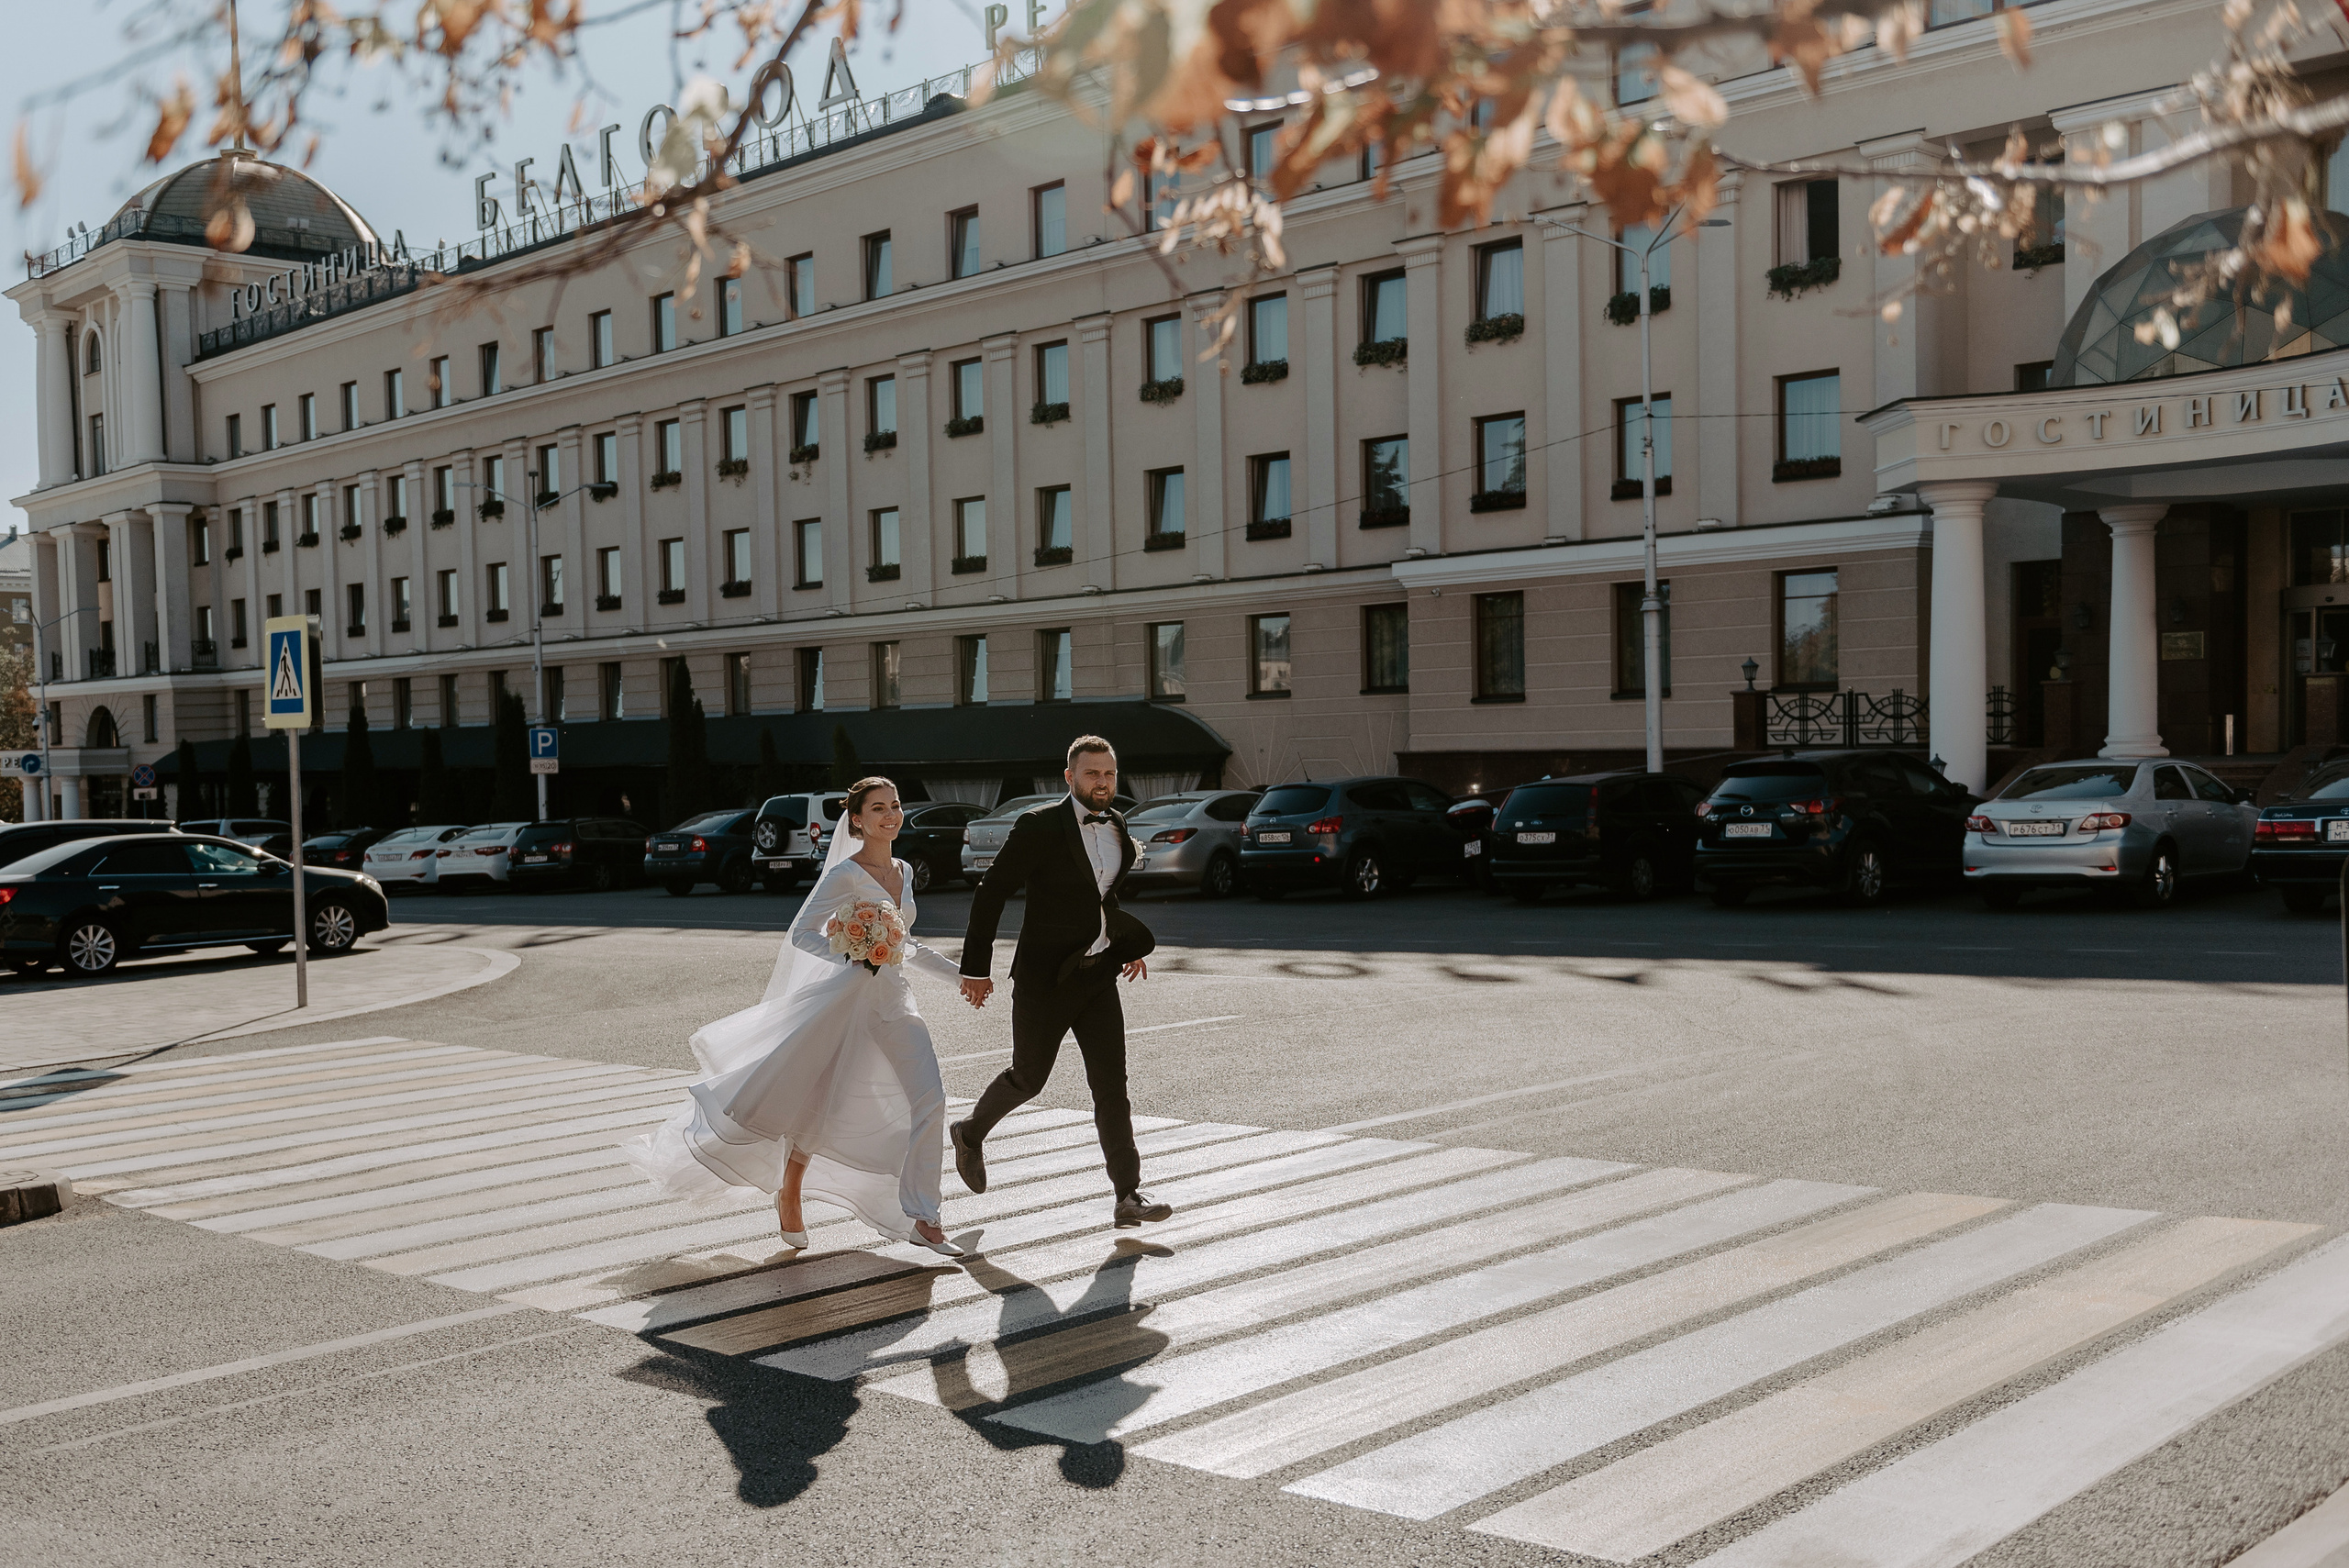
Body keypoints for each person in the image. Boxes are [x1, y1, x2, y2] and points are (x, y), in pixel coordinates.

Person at [625, 776, 969, 1257]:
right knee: (817, 1101)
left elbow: (904, 942)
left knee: (931, 1099)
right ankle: (790, 1189)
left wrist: (961, 977)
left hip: (895, 1002)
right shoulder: (845, 874)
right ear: (857, 820)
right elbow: (802, 933)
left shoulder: (906, 870)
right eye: (878, 809)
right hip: (846, 1002)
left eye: (894, 806)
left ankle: (924, 1217)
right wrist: (854, 951)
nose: (890, 815)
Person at [951, 735, 1171, 1229]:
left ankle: (1128, 1194)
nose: (1102, 782)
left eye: (1109, 774)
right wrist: (976, 968)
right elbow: (992, 893)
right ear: (1069, 777)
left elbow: (1100, 896)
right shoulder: (1038, 826)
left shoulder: (1116, 822)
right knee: (1029, 1078)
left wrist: (1122, 944)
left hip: (1098, 976)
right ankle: (969, 1132)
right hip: (1044, 980)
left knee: (1112, 1087)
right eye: (1092, 774)